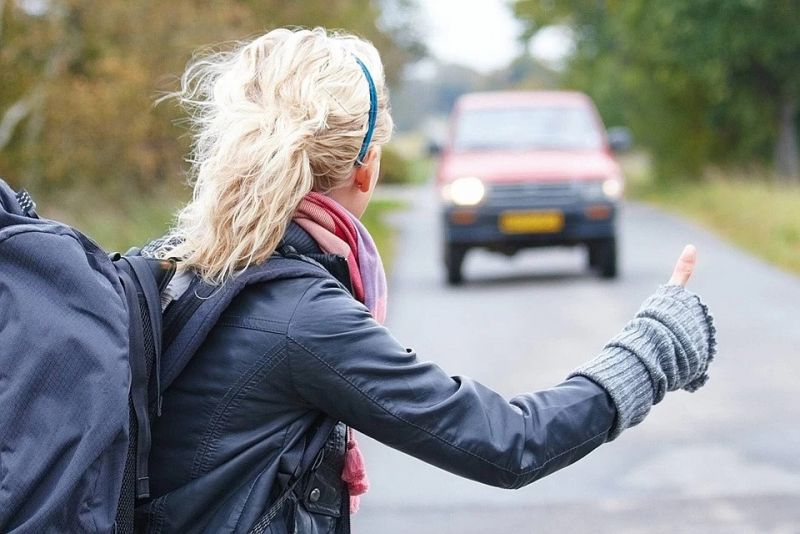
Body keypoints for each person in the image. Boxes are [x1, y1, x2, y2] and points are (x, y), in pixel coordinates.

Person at [137, 27, 716, 533]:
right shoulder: (302, 318)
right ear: (366, 169)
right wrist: (651, 350)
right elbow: (509, 444)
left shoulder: (174, 266)